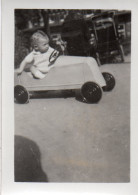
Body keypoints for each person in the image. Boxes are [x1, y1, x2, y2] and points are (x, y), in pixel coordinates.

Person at [15, 30, 105, 87]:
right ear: (36, 47)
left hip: (51, 68)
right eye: (44, 44)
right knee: (32, 67)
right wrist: (20, 69)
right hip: (41, 70)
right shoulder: (33, 54)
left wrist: (59, 50)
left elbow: (55, 54)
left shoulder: (48, 49)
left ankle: (98, 78)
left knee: (68, 63)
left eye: (48, 44)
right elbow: (25, 61)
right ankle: (40, 77)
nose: (47, 46)